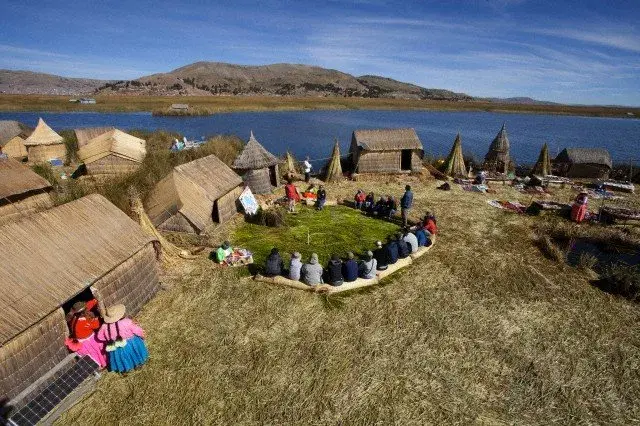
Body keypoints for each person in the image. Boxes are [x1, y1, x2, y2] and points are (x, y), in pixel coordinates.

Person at [96, 304, 148, 373]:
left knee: (122, 358)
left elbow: (99, 336)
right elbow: (137, 330)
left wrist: (108, 340)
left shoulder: (104, 326)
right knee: (134, 353)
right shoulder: (127, 322)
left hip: (116, 346)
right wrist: (142, 335)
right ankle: (138, 364)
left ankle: (126, 368)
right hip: (131, 343)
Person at [64, 300, 107, 368]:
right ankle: (102, 364)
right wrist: (95, 318)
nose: (87, 309)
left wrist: (94, 301)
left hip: (79, 340)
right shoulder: (85, 322)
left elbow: (88, 305)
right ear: (83, 312)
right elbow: (97, 325)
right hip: (88, 341)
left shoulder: (73, 318)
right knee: (97, 351)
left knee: (91, 355)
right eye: (86, 309)